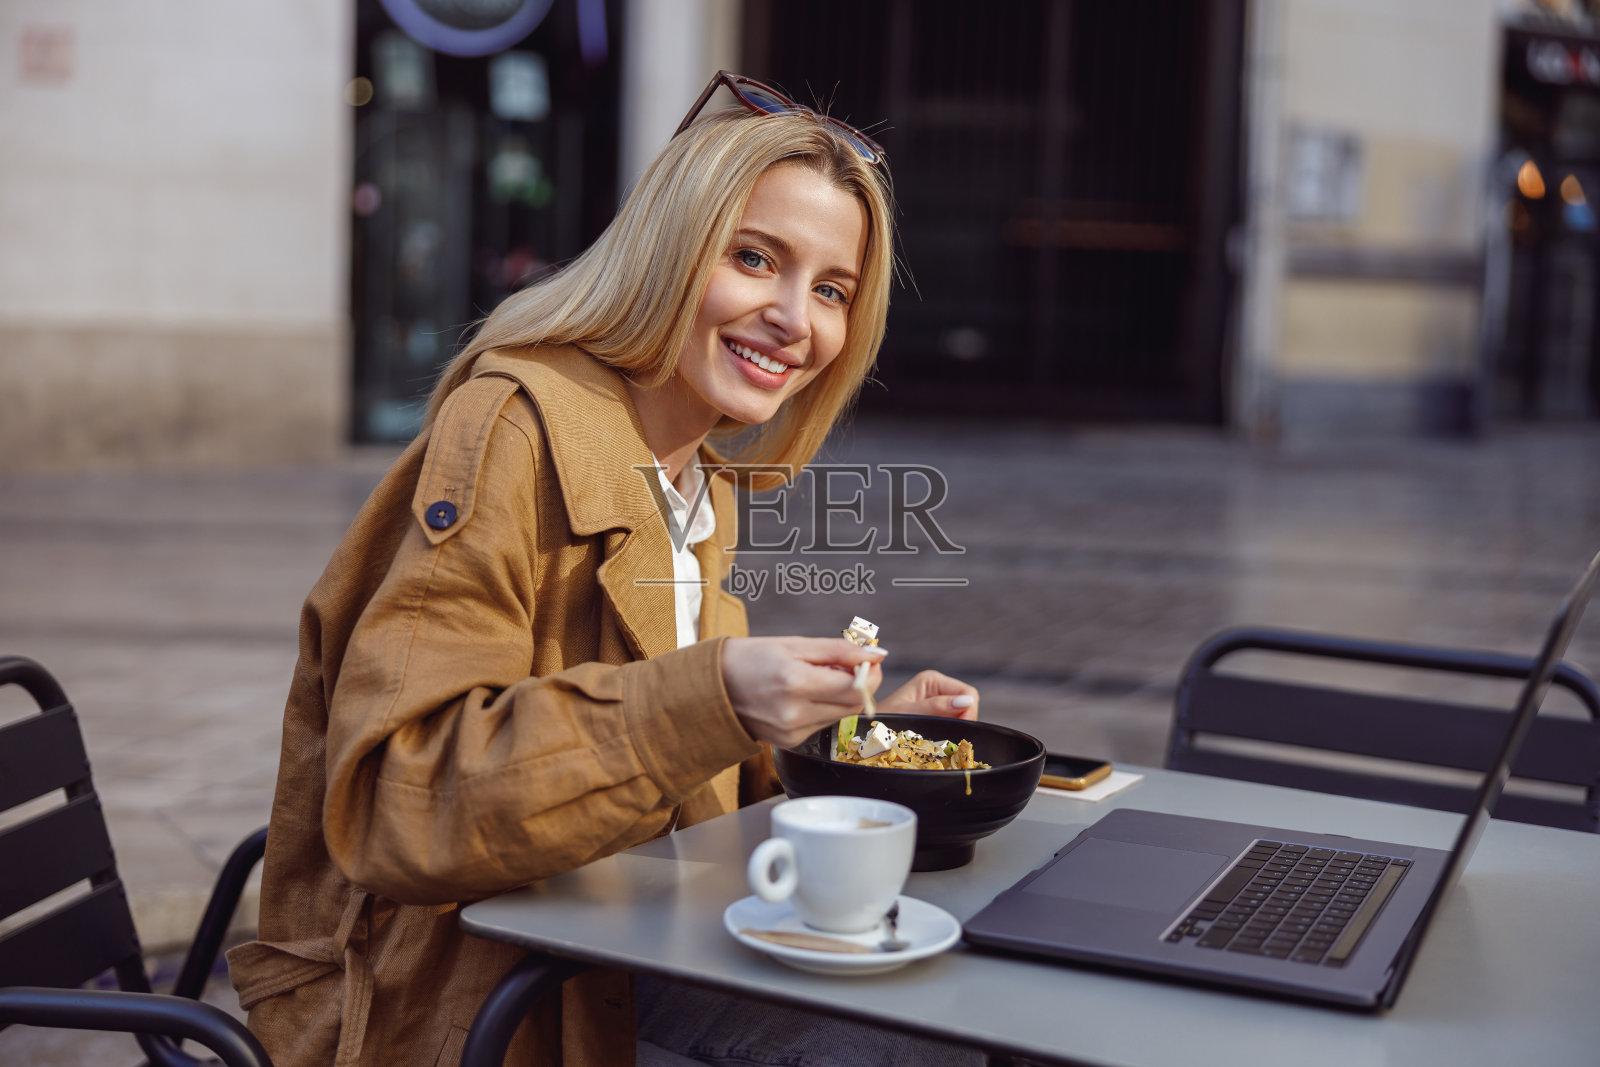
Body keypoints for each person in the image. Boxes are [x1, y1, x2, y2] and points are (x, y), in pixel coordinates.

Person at [228, 72, 983, 1067]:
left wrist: (856, 739)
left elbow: (679, 772)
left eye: (832, 289)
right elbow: (395, 801)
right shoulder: (512, 423)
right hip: (482, 994)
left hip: (631, 946)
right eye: (755, 258)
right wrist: (709, 693)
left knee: (966, 1015)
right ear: (670, 249)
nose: (796, 320)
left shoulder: (699, 483)